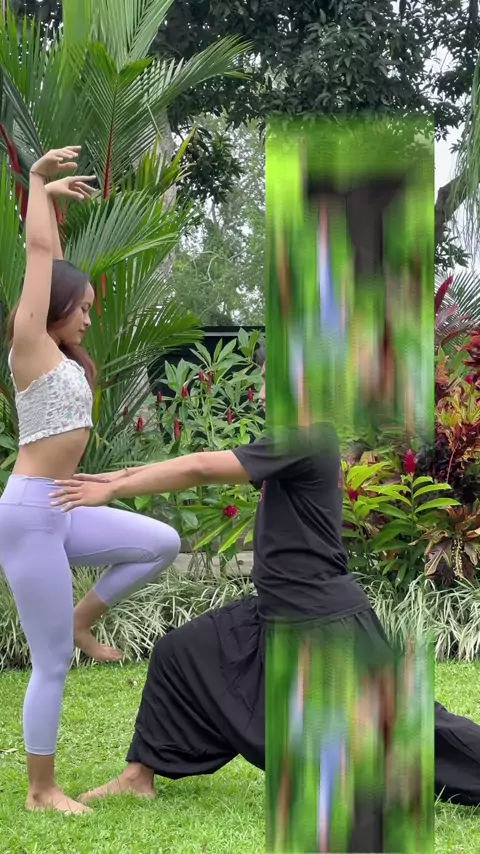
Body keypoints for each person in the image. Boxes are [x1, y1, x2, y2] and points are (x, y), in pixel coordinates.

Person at [51, 352, 480, 827]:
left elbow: (201, 467)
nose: (261, 391)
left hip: (323, 619)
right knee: (179, 653)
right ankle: (138, 776)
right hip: (275, 610)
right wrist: (112, 479)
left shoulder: (307, 437)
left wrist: (114, 490)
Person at [0, 147, 181, 815]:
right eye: (82, 308)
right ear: (52, 309)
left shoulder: (64, 357)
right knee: (51, 663)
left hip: (64, 506)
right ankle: (41, 790)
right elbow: (38, 257)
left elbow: (51, 263)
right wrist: (38, 182)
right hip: (29, 516)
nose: (87, 318)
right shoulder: (30, 347)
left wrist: (50, 203)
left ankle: (84, 618)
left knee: (160, 542)